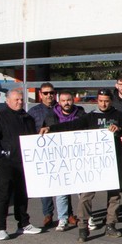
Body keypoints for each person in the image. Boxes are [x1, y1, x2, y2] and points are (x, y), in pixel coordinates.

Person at [41, 88, 122, 242]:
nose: (103, 104)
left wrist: (120, 129)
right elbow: (71, 126)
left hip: (113, 162)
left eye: (106, 101)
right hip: (93, 163)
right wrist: (51, 129)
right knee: (86, 196)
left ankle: (111, 224)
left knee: (114, 196)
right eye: (101, 100)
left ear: (111, 101)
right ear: (97, 100)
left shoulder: (119, 116)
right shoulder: (90, 117)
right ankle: (83, 227)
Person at [0, 89, 43, 240]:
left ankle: (23, 224)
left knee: (22, 195)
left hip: (24, 163)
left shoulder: (27, 118)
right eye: (16, 100)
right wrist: (0, 157)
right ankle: (0, 228)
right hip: (6, 163)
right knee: (4, 195)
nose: (20, 102)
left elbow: (32, 139)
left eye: (21, 99)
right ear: (7, 101)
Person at [42, 90, 85, 231]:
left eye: (69, 100)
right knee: (61, 189)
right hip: (59, 157)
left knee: (81, 190)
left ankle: (84, 217)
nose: (66, 103)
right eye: (64, 100)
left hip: (78, 156)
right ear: (59, 102)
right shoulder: (50, 116)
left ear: (73, 100)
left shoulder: (81, 114)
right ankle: (63, 218)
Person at [28, 82, 58, 228]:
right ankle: (48, 214)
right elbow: (28, 131)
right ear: (40, 94)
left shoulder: (61, 108)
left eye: (51, 93)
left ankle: (68, 213)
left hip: (60, 151)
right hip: (42, 152)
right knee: (46, 184)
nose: (49, 95)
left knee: (64, 184)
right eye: (45, 93)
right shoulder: (33, 112)